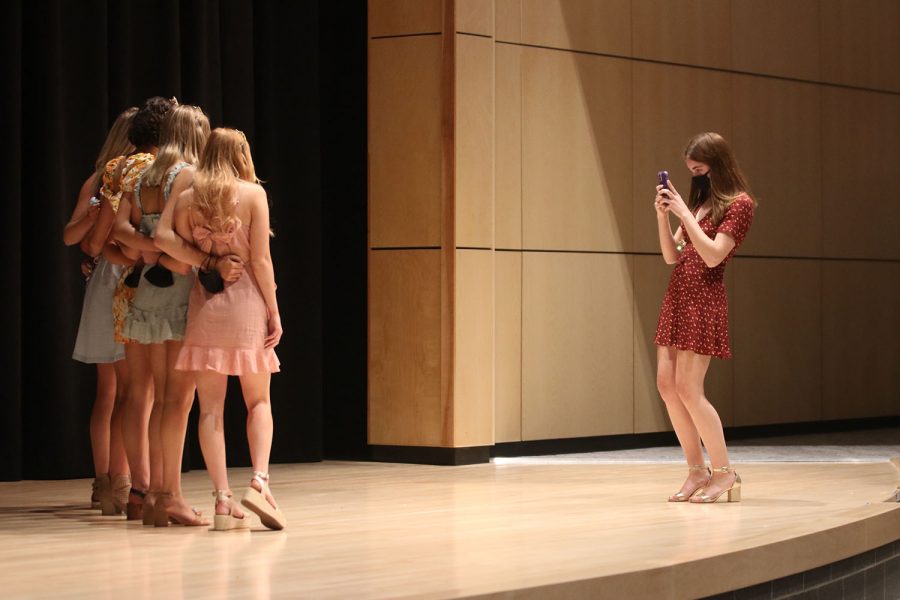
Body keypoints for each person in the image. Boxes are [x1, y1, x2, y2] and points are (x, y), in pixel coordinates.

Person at [157, 128, 285, 530]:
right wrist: (275, 309)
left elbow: (168, 246)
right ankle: (260, 482)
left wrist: (205, 262)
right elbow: (261, 261)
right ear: (242, 154)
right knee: (258, 401)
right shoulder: (252, 194)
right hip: (248, 306)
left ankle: (222, 500)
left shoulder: (186, 201)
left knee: (210, 410)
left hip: (206, 309)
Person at [115, 104, 210, 526]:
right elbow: (174, 239)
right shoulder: (186, 174)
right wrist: (203, 260)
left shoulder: (143, 175)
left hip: (148, 291)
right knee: (177, 400)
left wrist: (148, 249)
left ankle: (154, 494)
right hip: (177, 290)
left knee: (159, 399)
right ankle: (170, 495)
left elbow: (121, 230)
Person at [653, 132, 756, 504]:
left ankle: (724, 473)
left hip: (704, 300)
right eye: (692, 171)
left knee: (689, 390)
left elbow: (713, 254)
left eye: (700, 169)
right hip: (679, 294)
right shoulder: (701, 201)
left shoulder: (740, 205)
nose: (696, 177)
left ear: (719, 164)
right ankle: (696, 470)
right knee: (667, 385)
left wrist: (684, 213)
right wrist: (664, 217)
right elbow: (672, 256)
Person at [63, 106, 137, 513]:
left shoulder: (117, 178)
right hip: (114, 280)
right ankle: (111, 481)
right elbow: (73, 236)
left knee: (118, 390)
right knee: (116, 390)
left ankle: (113, 481)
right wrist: (93, 217)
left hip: (109, 277)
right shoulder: (104, 180)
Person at [107, 95, 176, 519]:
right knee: (162, 395)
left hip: (125, 285)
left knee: (135, 393)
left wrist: (138, 249)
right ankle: (157, 492)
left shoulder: (117, 167)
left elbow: (113, 237)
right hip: (156, 284)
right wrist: (158, 249)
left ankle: (137, 490)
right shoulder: (162, 172)